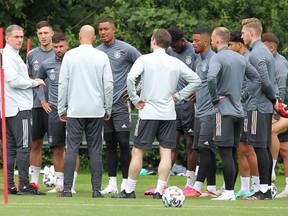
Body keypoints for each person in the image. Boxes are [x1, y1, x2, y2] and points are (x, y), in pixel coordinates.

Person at [112, 28, 201, 199]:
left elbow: (131, 78)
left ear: (153, 41)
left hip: (148, 113)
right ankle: (160, 191)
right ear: (167, 44)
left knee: (138, 151)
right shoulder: (175, 62)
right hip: (168, 113)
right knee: (166, 152)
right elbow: (196, 80)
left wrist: (134, 98)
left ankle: (129, 190)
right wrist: (178, 96)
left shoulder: (145, 59)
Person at [58, 25, 113, 198]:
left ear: (79, 36)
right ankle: (96, 190)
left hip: (75, 110)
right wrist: (108, 107)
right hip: (96, 109)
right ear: (94, 38)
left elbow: (63, 84)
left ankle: (67, 189)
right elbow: (109, 85)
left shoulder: (70, 55)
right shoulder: (102, 56)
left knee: (72, 148)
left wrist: (61, 107)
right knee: (95, 150)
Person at [207, 27, 261, 201]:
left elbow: (210, 78)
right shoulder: (240, 58)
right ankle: (230, 191)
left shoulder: (217, 58)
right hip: (239, 112)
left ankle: (229, 192)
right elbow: (257, 79)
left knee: (225, 152)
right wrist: (243, 96)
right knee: (232, 153)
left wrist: (215, 99)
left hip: (224, 111)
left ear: (216, 41)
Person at [97, 18, 141, 194]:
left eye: (106, 29)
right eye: (100, 29)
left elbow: (145, 67)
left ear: (114, 29)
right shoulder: (97, 52)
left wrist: (135, 91)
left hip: (122, 104)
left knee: (123, 142)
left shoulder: (126, 49)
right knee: (109, 143)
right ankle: (112, 184)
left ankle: (126, 183)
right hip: (104, 106)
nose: (103, 32)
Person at [3, 24, 45, 195]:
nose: (19, 40)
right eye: (16, 37)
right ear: (7, 38)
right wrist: (34, 82)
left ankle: (10, 185)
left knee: (12, 148)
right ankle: (24, 185)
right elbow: (13, 81)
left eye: (21, 37)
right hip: (19, 107)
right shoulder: (9, 55)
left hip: (8, 107)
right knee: (24, 146)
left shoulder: (8, 54)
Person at [36, 32, 79, 193]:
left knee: (72, 148)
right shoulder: (46, 64)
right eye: (56, 47)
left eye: (61, 46)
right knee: (57, 148)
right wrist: (42, 101)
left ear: (67, 45)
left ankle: (71, 184)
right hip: (54, 110)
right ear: (52, 47)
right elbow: (37, 82)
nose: (59, 49)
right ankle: (60, 184)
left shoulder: (75, 62)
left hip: (73, 110)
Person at [241, 18, 278, 200]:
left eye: (242, 33)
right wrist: (274, 99)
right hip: (263, 105)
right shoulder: (264, 51)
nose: (241, 36)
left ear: (251, 33)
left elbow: (263, 79)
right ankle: (265, 189)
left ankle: (264, 189)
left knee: (260, 147)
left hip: (257, 106)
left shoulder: (256, 53)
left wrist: (272, 98)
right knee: (263, 146)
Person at [184, 27, 218, 198]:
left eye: (196, 40)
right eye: (193, 40)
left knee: (205, 149)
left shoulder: (214, 59)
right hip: (199, 112)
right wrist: (198, 92)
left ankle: (197, 187)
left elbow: (217, 83)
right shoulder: (198, 60)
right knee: (205, 149)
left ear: (206, 41)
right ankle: (211, 187)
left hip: (210, 112)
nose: (193, 43)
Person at [229, 29, 260, 198]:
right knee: (240, 149)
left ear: (238, 45)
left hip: (247, 109)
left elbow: (256, 81)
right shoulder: (238, 60)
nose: (228, 48)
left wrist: (242, 97)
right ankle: (245, 187)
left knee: (248, 148)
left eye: (231, 45)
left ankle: (257, 187)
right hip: (238, 109)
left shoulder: (247, 60)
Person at [27, 21, 54, 189]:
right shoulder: (31, 54)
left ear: (52, 33)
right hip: (36, 105)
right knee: (35, 143)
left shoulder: (60, 52)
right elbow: (28, 78)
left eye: (46, 33)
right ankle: (34, 181)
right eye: (40, 33)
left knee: (59, 145)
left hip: (55, 106)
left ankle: (63, 183)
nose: (43, 36)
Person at [261, 32, 288, 183]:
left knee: (272, 131)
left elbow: (282, 90)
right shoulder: (269, 62)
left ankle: (270, 171)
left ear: (271, 48)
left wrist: (277, 114)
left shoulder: (279, 64)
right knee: (285, 150)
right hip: (281, 108)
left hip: (284, 109)